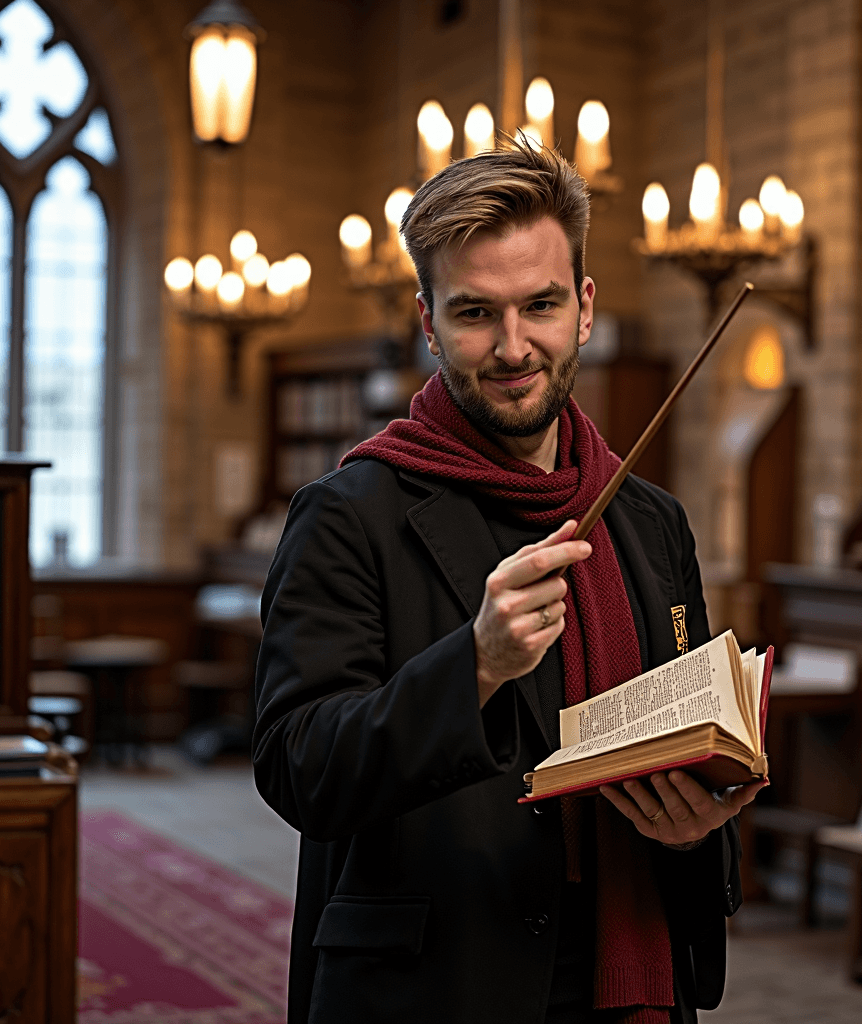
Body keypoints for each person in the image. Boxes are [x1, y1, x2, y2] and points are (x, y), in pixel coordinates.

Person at [253, 138, 764, 1024]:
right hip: (440, 984)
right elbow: (299, 769)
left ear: (585, 307)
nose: (513, 346)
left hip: (628, 967)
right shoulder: (348, 513)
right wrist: (476, 665)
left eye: (541, 305)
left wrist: (700, 826)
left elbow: (679, 731)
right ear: (427, 320)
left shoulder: (650, 521)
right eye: (475, 313)